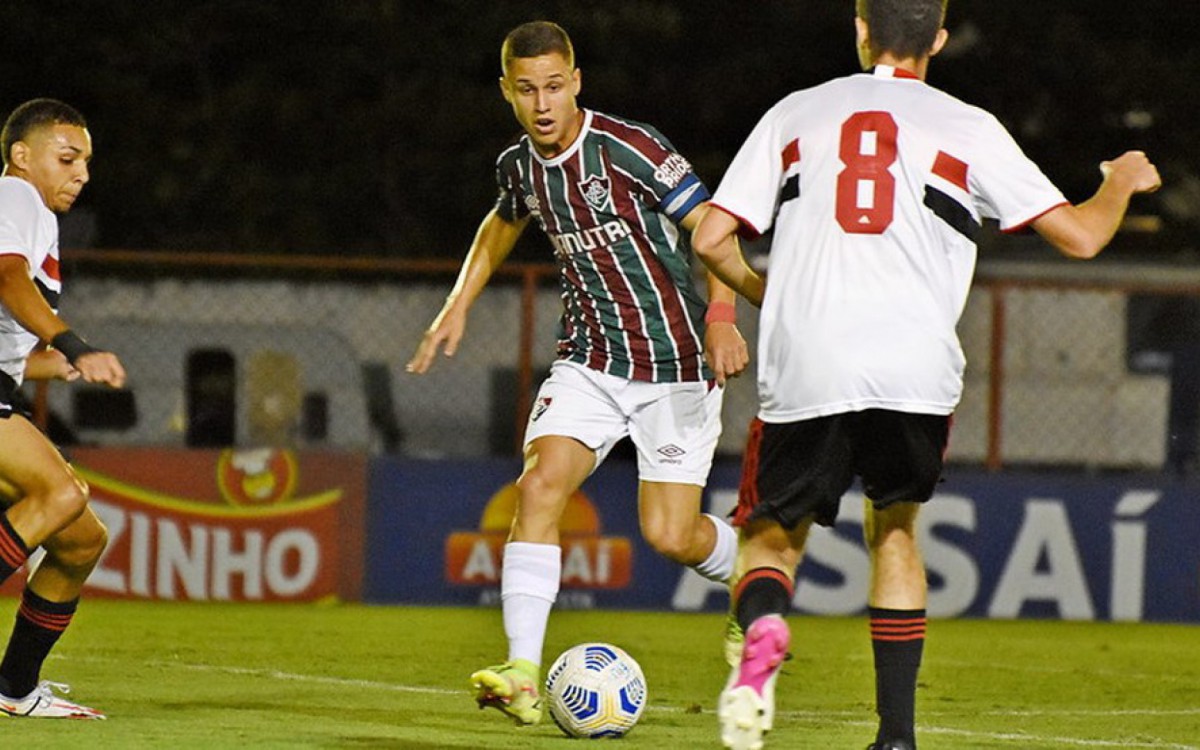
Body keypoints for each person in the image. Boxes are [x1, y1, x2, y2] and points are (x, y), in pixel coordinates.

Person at [690, 1, 1162, 748]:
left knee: (772, 539)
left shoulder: (797, 112)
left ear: (859, 28)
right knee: (897, 533)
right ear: (938, 39)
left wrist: (766, 295)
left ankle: (763, 641)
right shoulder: (968, 125)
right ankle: (897, 737)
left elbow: (713, 236)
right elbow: (1081, 237)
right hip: (915, 366)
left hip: (812, 357)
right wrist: (1121, 180)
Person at [406, 20, 750, 726]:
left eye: (555, 87)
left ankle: (757, 574)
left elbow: (714, 228)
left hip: (676, 365)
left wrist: (722, 317)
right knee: (538, 486)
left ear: (577, 83)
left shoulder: (630, 149)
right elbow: (502, 221)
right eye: (527, 89)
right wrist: (457, 306)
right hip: (590, 360)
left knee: (671, 536)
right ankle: (523, 673)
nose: (542, 104)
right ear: (506, 90)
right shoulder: (518, 166)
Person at [0, 98, 126, 719]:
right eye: (67, 157)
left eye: (87, 162)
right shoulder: (15, 196)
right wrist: (72, 342)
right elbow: (6, 278)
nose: (81, 173)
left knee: (80, 540)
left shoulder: (35, 217)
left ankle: (14, 689)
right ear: (22, 157)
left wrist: (57, 364)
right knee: (63, 494)